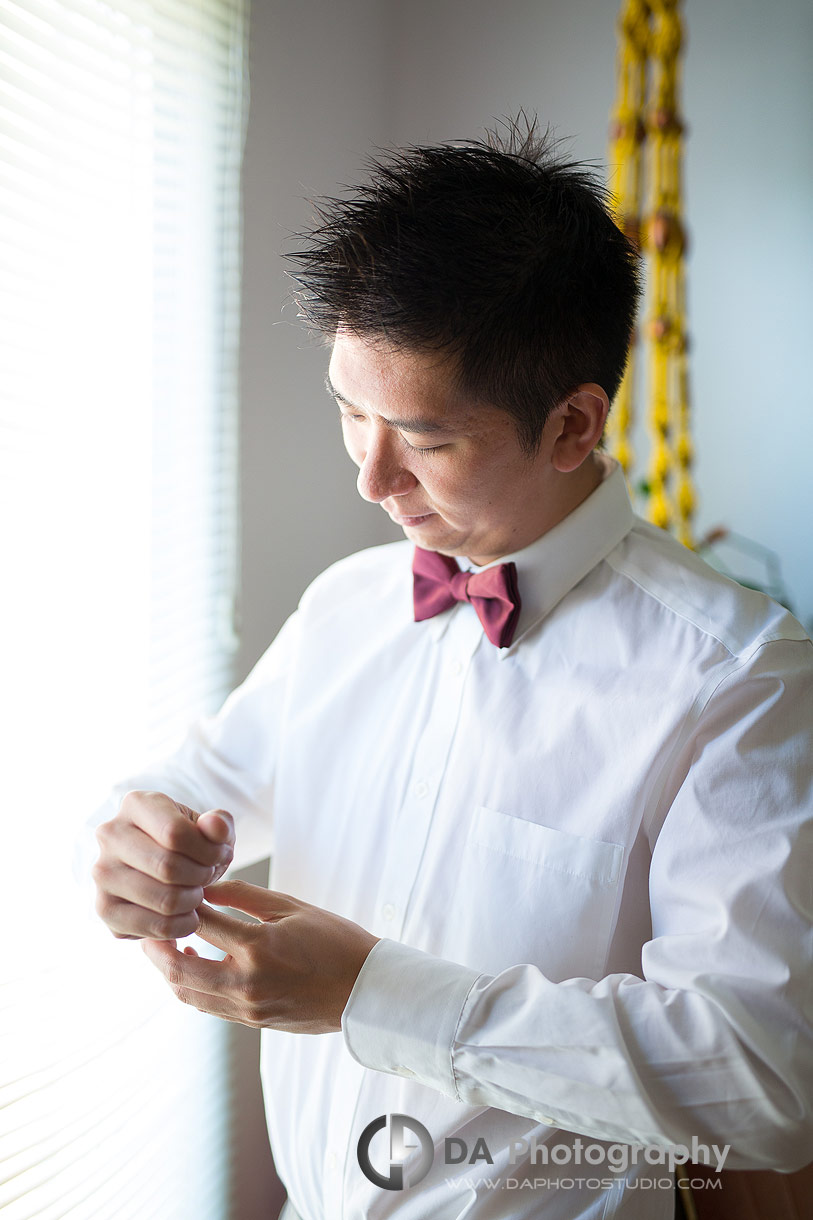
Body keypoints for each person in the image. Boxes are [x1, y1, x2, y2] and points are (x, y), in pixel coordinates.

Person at [90, 121, 813, 1220]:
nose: (372, 478)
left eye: (422, 438)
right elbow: (190, 790)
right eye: (348, 410)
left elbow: (762, 1081)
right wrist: (135, 845)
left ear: (573, 423)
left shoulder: (743, 680)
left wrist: (376, 994)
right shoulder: (348, 605)